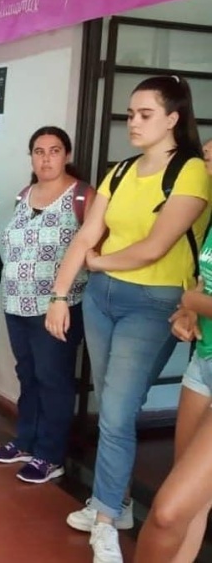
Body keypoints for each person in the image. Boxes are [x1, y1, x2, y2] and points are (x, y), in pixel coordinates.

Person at [46, 76, 210, 563]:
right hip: (101, 299)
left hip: (153, 302)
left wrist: (98, 262)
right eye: (131, 113)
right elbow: (86, 234)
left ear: (173, 118)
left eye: (145, 114)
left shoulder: (191, 172)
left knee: (117, 411)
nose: (133, 122)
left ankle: (106, 521)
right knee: (112, 404)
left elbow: (154, 247)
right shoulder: (119, 172)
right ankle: (112, 504)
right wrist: (60, 295)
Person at [0, 127, 94, 481]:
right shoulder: (25, 194)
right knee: (27, 374)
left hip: (57, 306)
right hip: (16, 302)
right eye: (39, 151)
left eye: (54, 150)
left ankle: (50, 455)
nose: (46, 158)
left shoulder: (82, 195)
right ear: (31, 156)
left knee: (53, 378)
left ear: (67, 155)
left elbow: (95, 247)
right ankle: (25, 441)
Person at [133, 138, 212, 563]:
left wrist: (189, 300)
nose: (206, 163)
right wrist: (190, 311)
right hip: (204, 362)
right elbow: (205, 282)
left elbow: (197, 294)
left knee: (166, 512)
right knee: (192, 504)